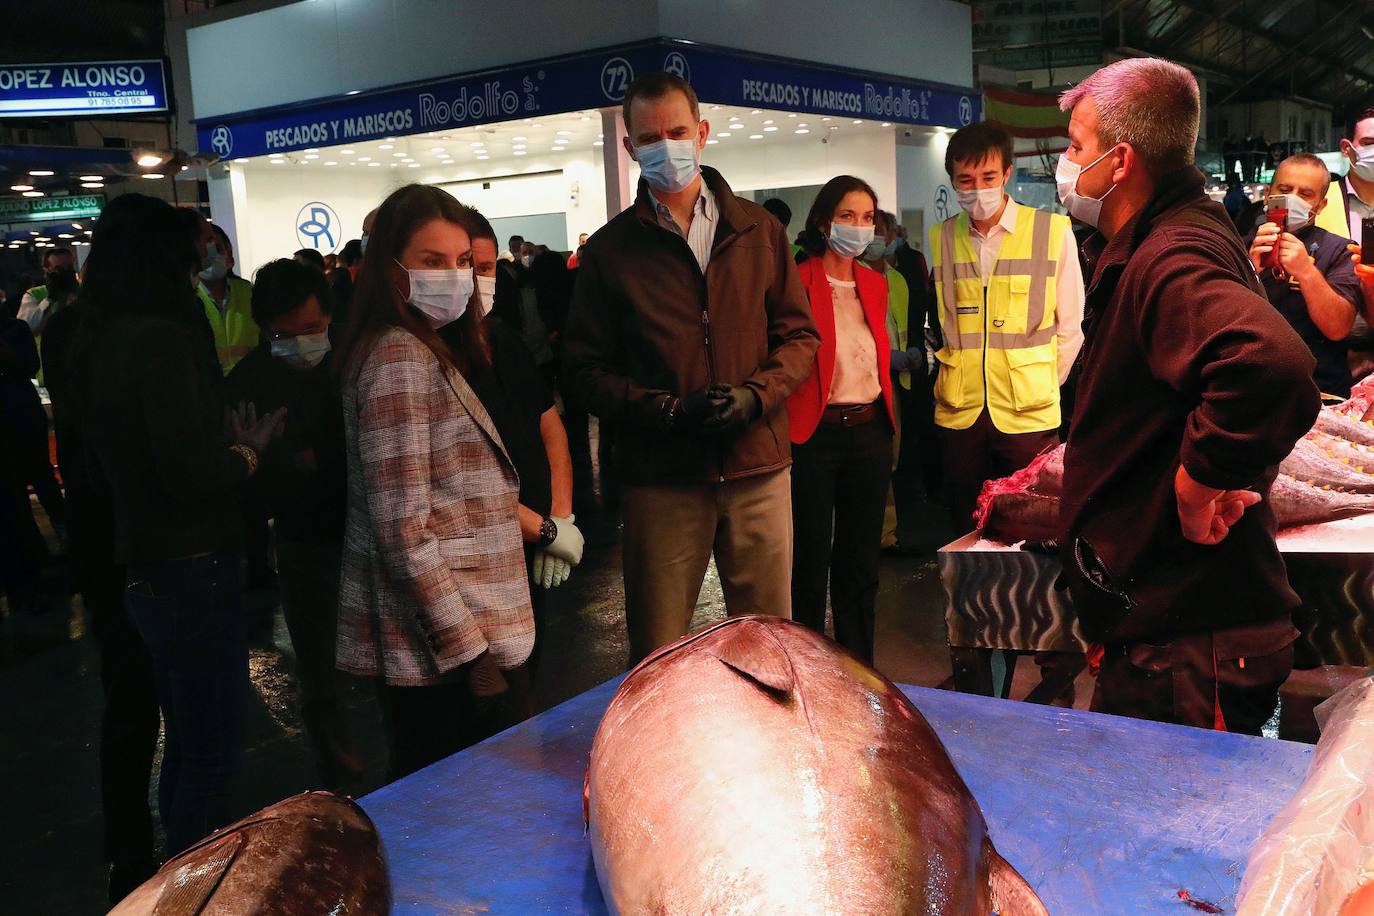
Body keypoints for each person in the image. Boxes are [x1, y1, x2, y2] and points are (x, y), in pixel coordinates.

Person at [1057, 58, 1319, 733]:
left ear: (1118, 162)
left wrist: (1200, 482)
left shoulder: (1169, 253)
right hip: (1170, 624)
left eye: (1076, 147)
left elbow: (1270, 362)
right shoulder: (1170, 233)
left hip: (1192, 645)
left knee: (1182, 834)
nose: (1065, 163)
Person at [564, 71, 819, 665]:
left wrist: (756, 396)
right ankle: (665, 758)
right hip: (661, 478)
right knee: (660, 653)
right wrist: (667, 411)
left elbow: (800, 338)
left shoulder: (760, 230)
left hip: (757, 467)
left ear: (701, 132)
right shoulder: (610, 252)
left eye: (677, 131)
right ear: (629, 148)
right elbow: (583, 369)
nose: (665, 146)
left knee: (771, 646)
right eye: (649, 138)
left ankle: (770, 755)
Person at [71, 193, 286, 857]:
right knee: (215, 753)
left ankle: (173, 879)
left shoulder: (93, 334)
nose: (201, 261)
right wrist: (247, 450)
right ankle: (193, 892)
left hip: (142, 561)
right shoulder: (161, 336)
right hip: (193, 559)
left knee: (188, 744)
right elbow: (189, 471)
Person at [334, 184, 535, 780]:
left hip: (454, 638)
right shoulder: (398, 356)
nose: (454, 277)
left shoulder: (421, 345)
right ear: (391, 268)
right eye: (431, 262)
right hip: (443, 650)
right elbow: (403, 531)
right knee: (463, 810)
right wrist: (472, 656)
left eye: (462, 263)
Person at [40, 197, 160, 902]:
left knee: (127, 695)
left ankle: (128, 848)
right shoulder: (145, 331)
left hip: (97, 533)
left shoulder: (69, 329)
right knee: (176, 698)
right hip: (152, 536)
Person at [224, 258, 366, 794]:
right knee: (323, 677)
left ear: (329, 317)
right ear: (263, 329)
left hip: (372, 532)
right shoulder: (250, 383)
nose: (301, 342)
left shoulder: (353, 360)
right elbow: (250, 490)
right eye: (284, 334)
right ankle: (343, 785)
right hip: (307, 544)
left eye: (311, 330)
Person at [930, 121, 1084, 534]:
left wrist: (1040, 385)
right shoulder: (941, 237)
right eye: (965, 179)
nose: (977, 188)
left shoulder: (1051, 232)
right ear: (952, 181)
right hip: (960, 413)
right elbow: (944, 324)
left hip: (1028, 418)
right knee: (964, 527)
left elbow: (1071, 328)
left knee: (1031, 525)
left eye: (988, 177)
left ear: (1007, 174)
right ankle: (966, 601)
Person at [447, 215, 581, 692]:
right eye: (462, 266)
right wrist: (543, 529)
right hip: (476, 558)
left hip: (531, 542)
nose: (475, 280)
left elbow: (551, 428)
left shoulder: (500, 337)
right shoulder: (428, 355)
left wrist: (561, 516)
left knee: (530, 673)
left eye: (484, 268)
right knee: (494, 696)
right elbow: (454, 482)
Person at [786, 177, 895, 663]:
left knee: (860, 562)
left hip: (869, 430)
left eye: (867, 217)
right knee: (808, 560)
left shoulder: (875, 281)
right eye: (848, 215)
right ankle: (807, 668)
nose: (859, 226)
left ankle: (858, 669)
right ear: (823, 220)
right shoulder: (797, 278)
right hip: (814, 435)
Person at [1246, 154, 1361, 397]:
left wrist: (1307, 273)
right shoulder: (1238, 245)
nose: (1292, 199)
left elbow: (1338, 328)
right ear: (1268, 194)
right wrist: (1249, 270)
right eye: (1285, 189)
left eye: (1305, 194)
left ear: (1321, 206)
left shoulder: (1340, 250)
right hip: (1250, 381)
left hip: (1318, 388)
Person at [196, 223, 258, 374]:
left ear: (230, 256)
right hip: (209, 391)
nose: (211, 257)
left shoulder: (251, 293)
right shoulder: (186, 300)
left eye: (217, 249)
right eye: (205, 251)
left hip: (252, 386)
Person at [18, 246, 80, 335]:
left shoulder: (82, 292)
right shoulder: (33, 295)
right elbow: (27, 327)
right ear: (47, 271)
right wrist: (49, 300)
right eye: (58, 269)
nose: (66, 272)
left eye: (69, 267)